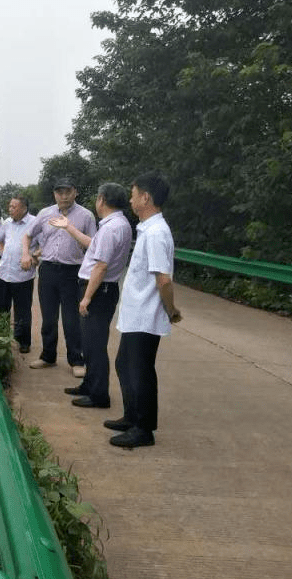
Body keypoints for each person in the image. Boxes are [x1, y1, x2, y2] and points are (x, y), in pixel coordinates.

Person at [105, 171, 182, 448]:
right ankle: (131, 416)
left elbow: (163, 279)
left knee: (140, 370)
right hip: (136, 314)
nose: (130, 198)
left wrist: (171, 310)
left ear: (145, 198)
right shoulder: (148, 230)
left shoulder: (156, 234)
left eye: (134, 194)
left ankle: (143, 429)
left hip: (147, 316)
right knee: (124, 364)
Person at [49, 183, 132, 409]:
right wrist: (69, 227)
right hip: (102, 289)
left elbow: (101, 266)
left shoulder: (111, 228)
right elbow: (93, 245)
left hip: (98, 290)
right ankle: (89, 385)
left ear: (102, 200)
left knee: (95, 346)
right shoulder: (116, 224)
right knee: (89, 342)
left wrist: (86, 297)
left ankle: (98, 395)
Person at [21, 177, 96, 377]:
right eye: (59, 192)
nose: (63, 196)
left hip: (73, 272)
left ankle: (76, 360)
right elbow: (27, 235)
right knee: (48, 317)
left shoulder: (86, 216)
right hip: (48, 271)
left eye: (67, 192)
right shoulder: (45, 214)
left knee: (72, 319)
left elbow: (94, 245)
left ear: (75, 192)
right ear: (54, 194)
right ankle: (48, 356)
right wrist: (26, 253)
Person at [0, 196, 36, 353]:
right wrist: (4, 253)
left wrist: (33, 256)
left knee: (22, 310)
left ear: (24, 208)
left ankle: (23, 341)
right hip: (4, 272)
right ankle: (1, 338)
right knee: (3, 308)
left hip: (23, 275)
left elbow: (43, 245)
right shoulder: (6, 223)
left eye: (14, 207)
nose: (10, 209)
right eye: (10, 206)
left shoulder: (34, 223)